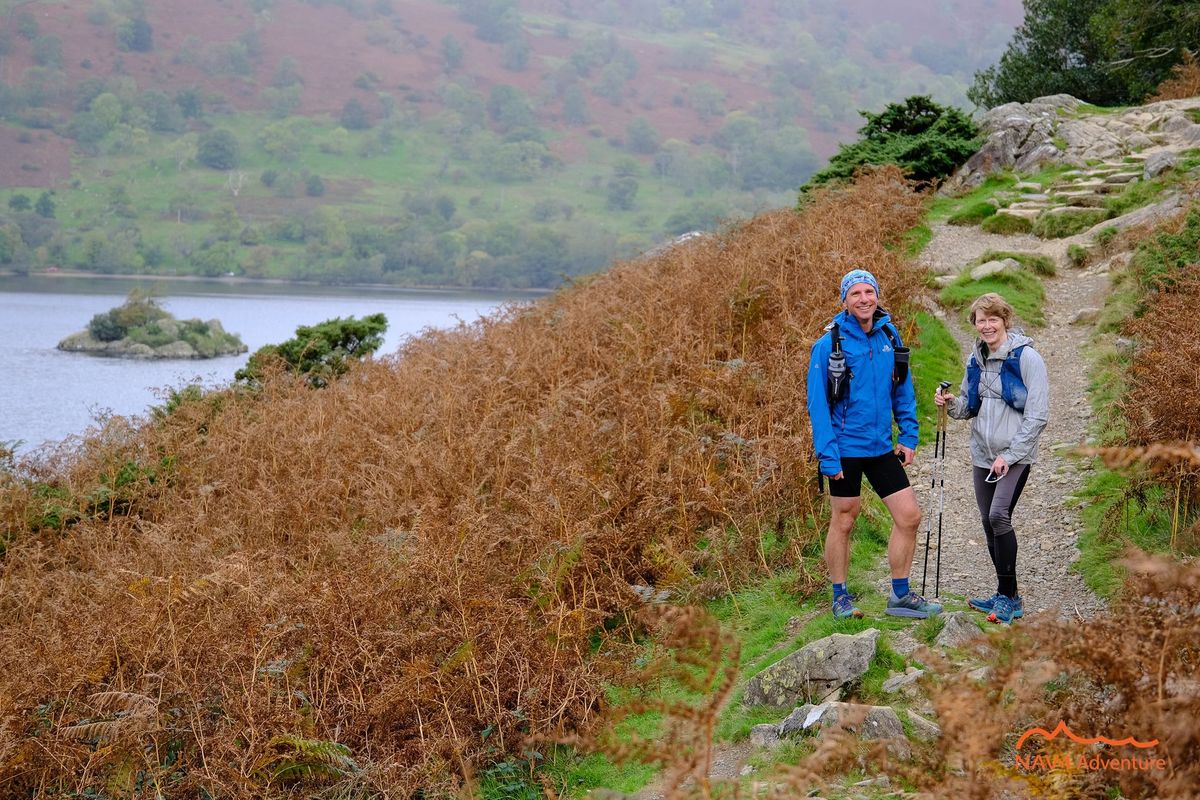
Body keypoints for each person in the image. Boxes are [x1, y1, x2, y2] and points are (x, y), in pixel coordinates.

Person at [808, 269, 942, 620]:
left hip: (882, 447)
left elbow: (903, 388)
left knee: (909, 517)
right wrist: (828, 456)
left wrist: (909, 435)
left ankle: (900, 596)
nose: (864, 299)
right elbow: (818, 405)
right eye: (856, 294)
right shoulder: (828, 345)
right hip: (845, 450)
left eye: (870, 292)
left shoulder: (889, 335)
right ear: (845, 301)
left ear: (877, 296)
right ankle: (840, 597)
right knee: (844, 521)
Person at [934, 292, 1049, 624]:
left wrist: (1011, 456)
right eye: (980, 320)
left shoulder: (1028, 358)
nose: (986, 326)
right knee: (988, 523)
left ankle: (1009, 598)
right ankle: (1006, 595)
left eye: (992, 319)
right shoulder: (976, 359)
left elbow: (1038, 416)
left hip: (1015, 456)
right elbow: (970, 407)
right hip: (982, 454)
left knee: (999, 516)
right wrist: (950, 403)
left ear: (1005, 321)